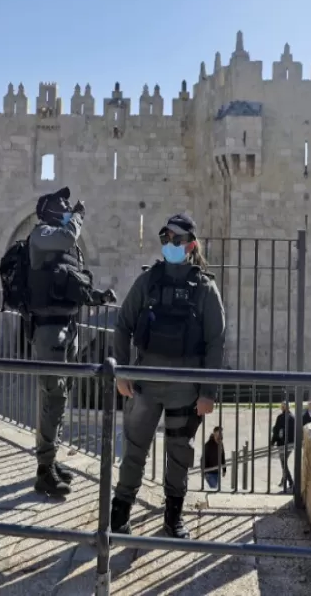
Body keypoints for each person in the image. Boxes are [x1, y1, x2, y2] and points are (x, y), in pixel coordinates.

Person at [111, 213, 226, 539]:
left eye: (176, 240)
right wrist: (121, 371)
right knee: (134, 452)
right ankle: (119, 515)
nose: (169, 246)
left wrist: (208, 392)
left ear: (190, 245)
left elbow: (215, 342)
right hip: (146, 386)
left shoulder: (204, 288)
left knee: (179, 455)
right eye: (165, 239)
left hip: (185, 392)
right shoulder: (149, 281)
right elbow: (123, 324)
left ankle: (173, 518)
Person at [25, 187, 116, 497]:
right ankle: (43, 470)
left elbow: (71, 283)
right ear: (49, 210)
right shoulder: (43, 235)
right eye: (62, 205)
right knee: (52, 396)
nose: (67, 207)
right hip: (49, 330)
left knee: (61, 397)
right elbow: (67, 236)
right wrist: (77, 217)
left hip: (69, 326)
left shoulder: (64, 246)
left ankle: (50, 461)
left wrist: (98, 297)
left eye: (69, 206)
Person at [271, 401, 311, 490]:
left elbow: (276, 431)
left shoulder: (280, 417)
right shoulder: (293, 417)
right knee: (284, 461)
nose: (281, 408)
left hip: (282, 443)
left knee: (283, 462)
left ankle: (290, 481)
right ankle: (284, 480)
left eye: (281, 406)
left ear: (283, 408)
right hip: (291, 443)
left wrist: (272, 443)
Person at [202, 426, 227, 490]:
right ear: (214, 434)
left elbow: (222, 456)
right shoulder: (208, 445)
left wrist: (224, 470)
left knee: (216, 489)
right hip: (209, 473)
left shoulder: (221, 444)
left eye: (221, 433)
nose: (220, 435)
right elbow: (203, 459)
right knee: (214, 489)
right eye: (218, 433)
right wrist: (205, 473)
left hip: (217, 472)